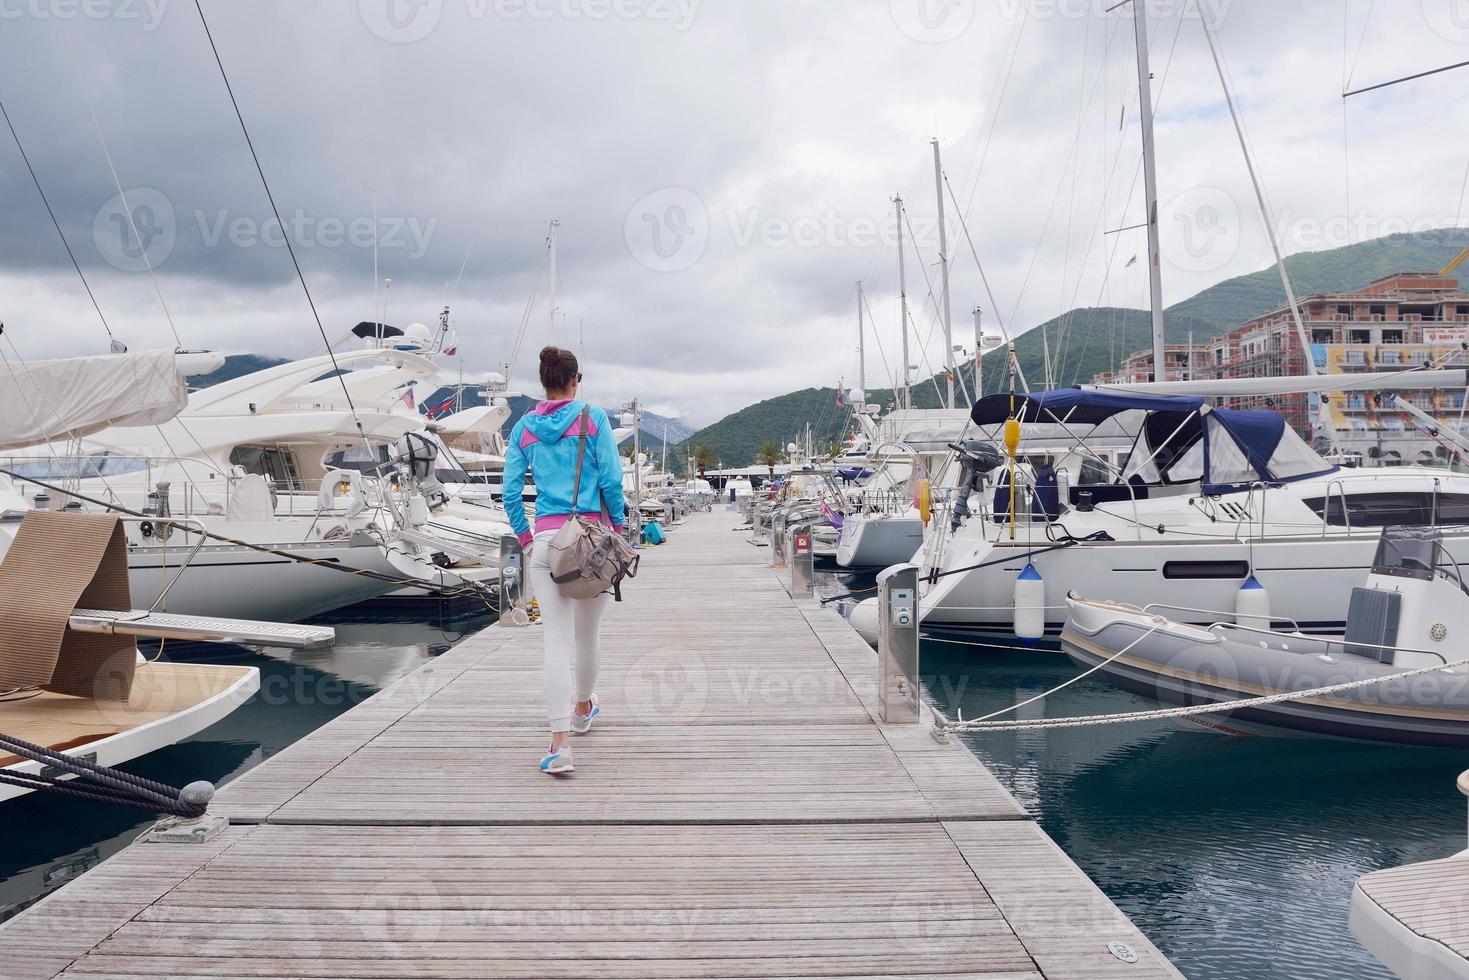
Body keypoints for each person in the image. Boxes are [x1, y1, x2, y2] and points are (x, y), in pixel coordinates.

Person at [503, 346, 627, 775]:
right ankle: (581, 708)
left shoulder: (523, 428)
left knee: (554, 643)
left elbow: (510, 493)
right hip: (591, 542)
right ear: (576, 379)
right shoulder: (593, 419)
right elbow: (611, 480)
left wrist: (525, 535)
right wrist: (620, 529)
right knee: (587, 635)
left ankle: (560, 744)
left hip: (546, 544)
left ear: (544, 382)